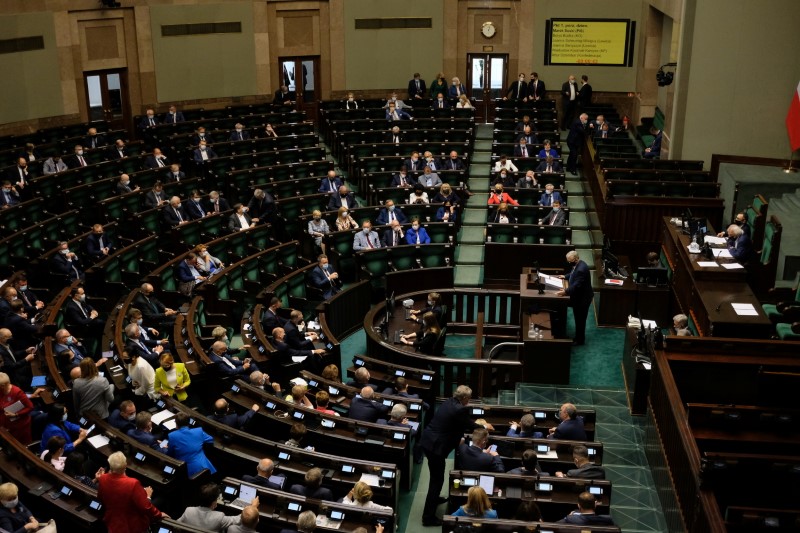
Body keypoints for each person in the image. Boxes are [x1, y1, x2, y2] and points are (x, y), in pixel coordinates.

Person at [420, 385, 494, 526]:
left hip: (429, 441)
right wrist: (485, 427)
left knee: (436, 478)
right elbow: (469, 424)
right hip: (435, 448)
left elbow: (454, 424)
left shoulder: (449, 401)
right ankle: (428, 517)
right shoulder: (460, 409)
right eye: (469, 398)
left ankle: (434, 500)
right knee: (437, 481)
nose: (470, 400)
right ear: (465, 398)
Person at [180, 482, 251, 531]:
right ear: (214, 502)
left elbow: (176, 525)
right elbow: (239, 519)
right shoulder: (219, 517)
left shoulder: (188, 511)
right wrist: (252, 507)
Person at [557, 250, 593, 345]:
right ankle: (577, 337)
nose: (569, 262)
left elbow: (577, 285)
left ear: (576, 259)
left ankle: (579, 340)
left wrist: (565, 291)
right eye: (568, 261)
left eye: (570, 261)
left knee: (580, 320)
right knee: (578, 318)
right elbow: (573, 274)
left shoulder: (581, 269)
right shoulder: (578, 264)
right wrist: (565, 276)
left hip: (583, 299)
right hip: (579, 297)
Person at [168, 413, 215, 477]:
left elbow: (170, 453)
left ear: (176, 423)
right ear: (188, 422)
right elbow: (210, 440)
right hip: (203, 465)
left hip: (184, 470)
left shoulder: (172, 436)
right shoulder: (198, 431)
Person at [0, 372, 34, 444]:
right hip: (6, 425)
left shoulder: (17, 392)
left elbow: (30, 407)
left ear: (2, 386)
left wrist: (16, 414)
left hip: (20, 426)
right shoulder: (1, 391)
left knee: (23, 446)